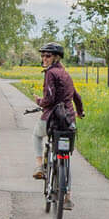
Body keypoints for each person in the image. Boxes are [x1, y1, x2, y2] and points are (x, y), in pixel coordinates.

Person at [31, 41, 85, 206]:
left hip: (52, 118)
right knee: (65, 155)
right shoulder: (65, 74)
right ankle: (67, 195)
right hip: (68, 120)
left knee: (37, 135)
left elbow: (49, 98)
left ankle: (39, 166)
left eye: (48, 56)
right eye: (43, 55)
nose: (44, 58)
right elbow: (76, 96)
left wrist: (39, 101)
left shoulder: (50, 73)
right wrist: (80, 111)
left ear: (56, 58)